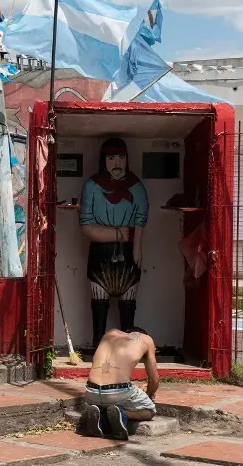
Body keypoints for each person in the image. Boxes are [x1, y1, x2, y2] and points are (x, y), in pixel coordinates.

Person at [79, 138, 149, 348]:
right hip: (100, 255)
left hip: (129, 255)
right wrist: (122, 233)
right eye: (111, 157)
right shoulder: (91, 187)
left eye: (121, 157)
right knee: (99, 302)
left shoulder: (136, 188)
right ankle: (98, 345)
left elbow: (141, 220)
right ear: (103, 160)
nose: (117, 162)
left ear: (127, 159)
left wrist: (136, 244)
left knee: (128, 303)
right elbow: (87, 228)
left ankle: (127, 349)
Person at [83, 327, 159, 440]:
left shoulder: (109, 333)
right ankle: (122, 414)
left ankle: (101, 417)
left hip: (91, 391)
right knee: (150, 410)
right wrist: (149, 394)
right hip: (118, 392)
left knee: (111, 400)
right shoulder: (146, 340)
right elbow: (154, 379)